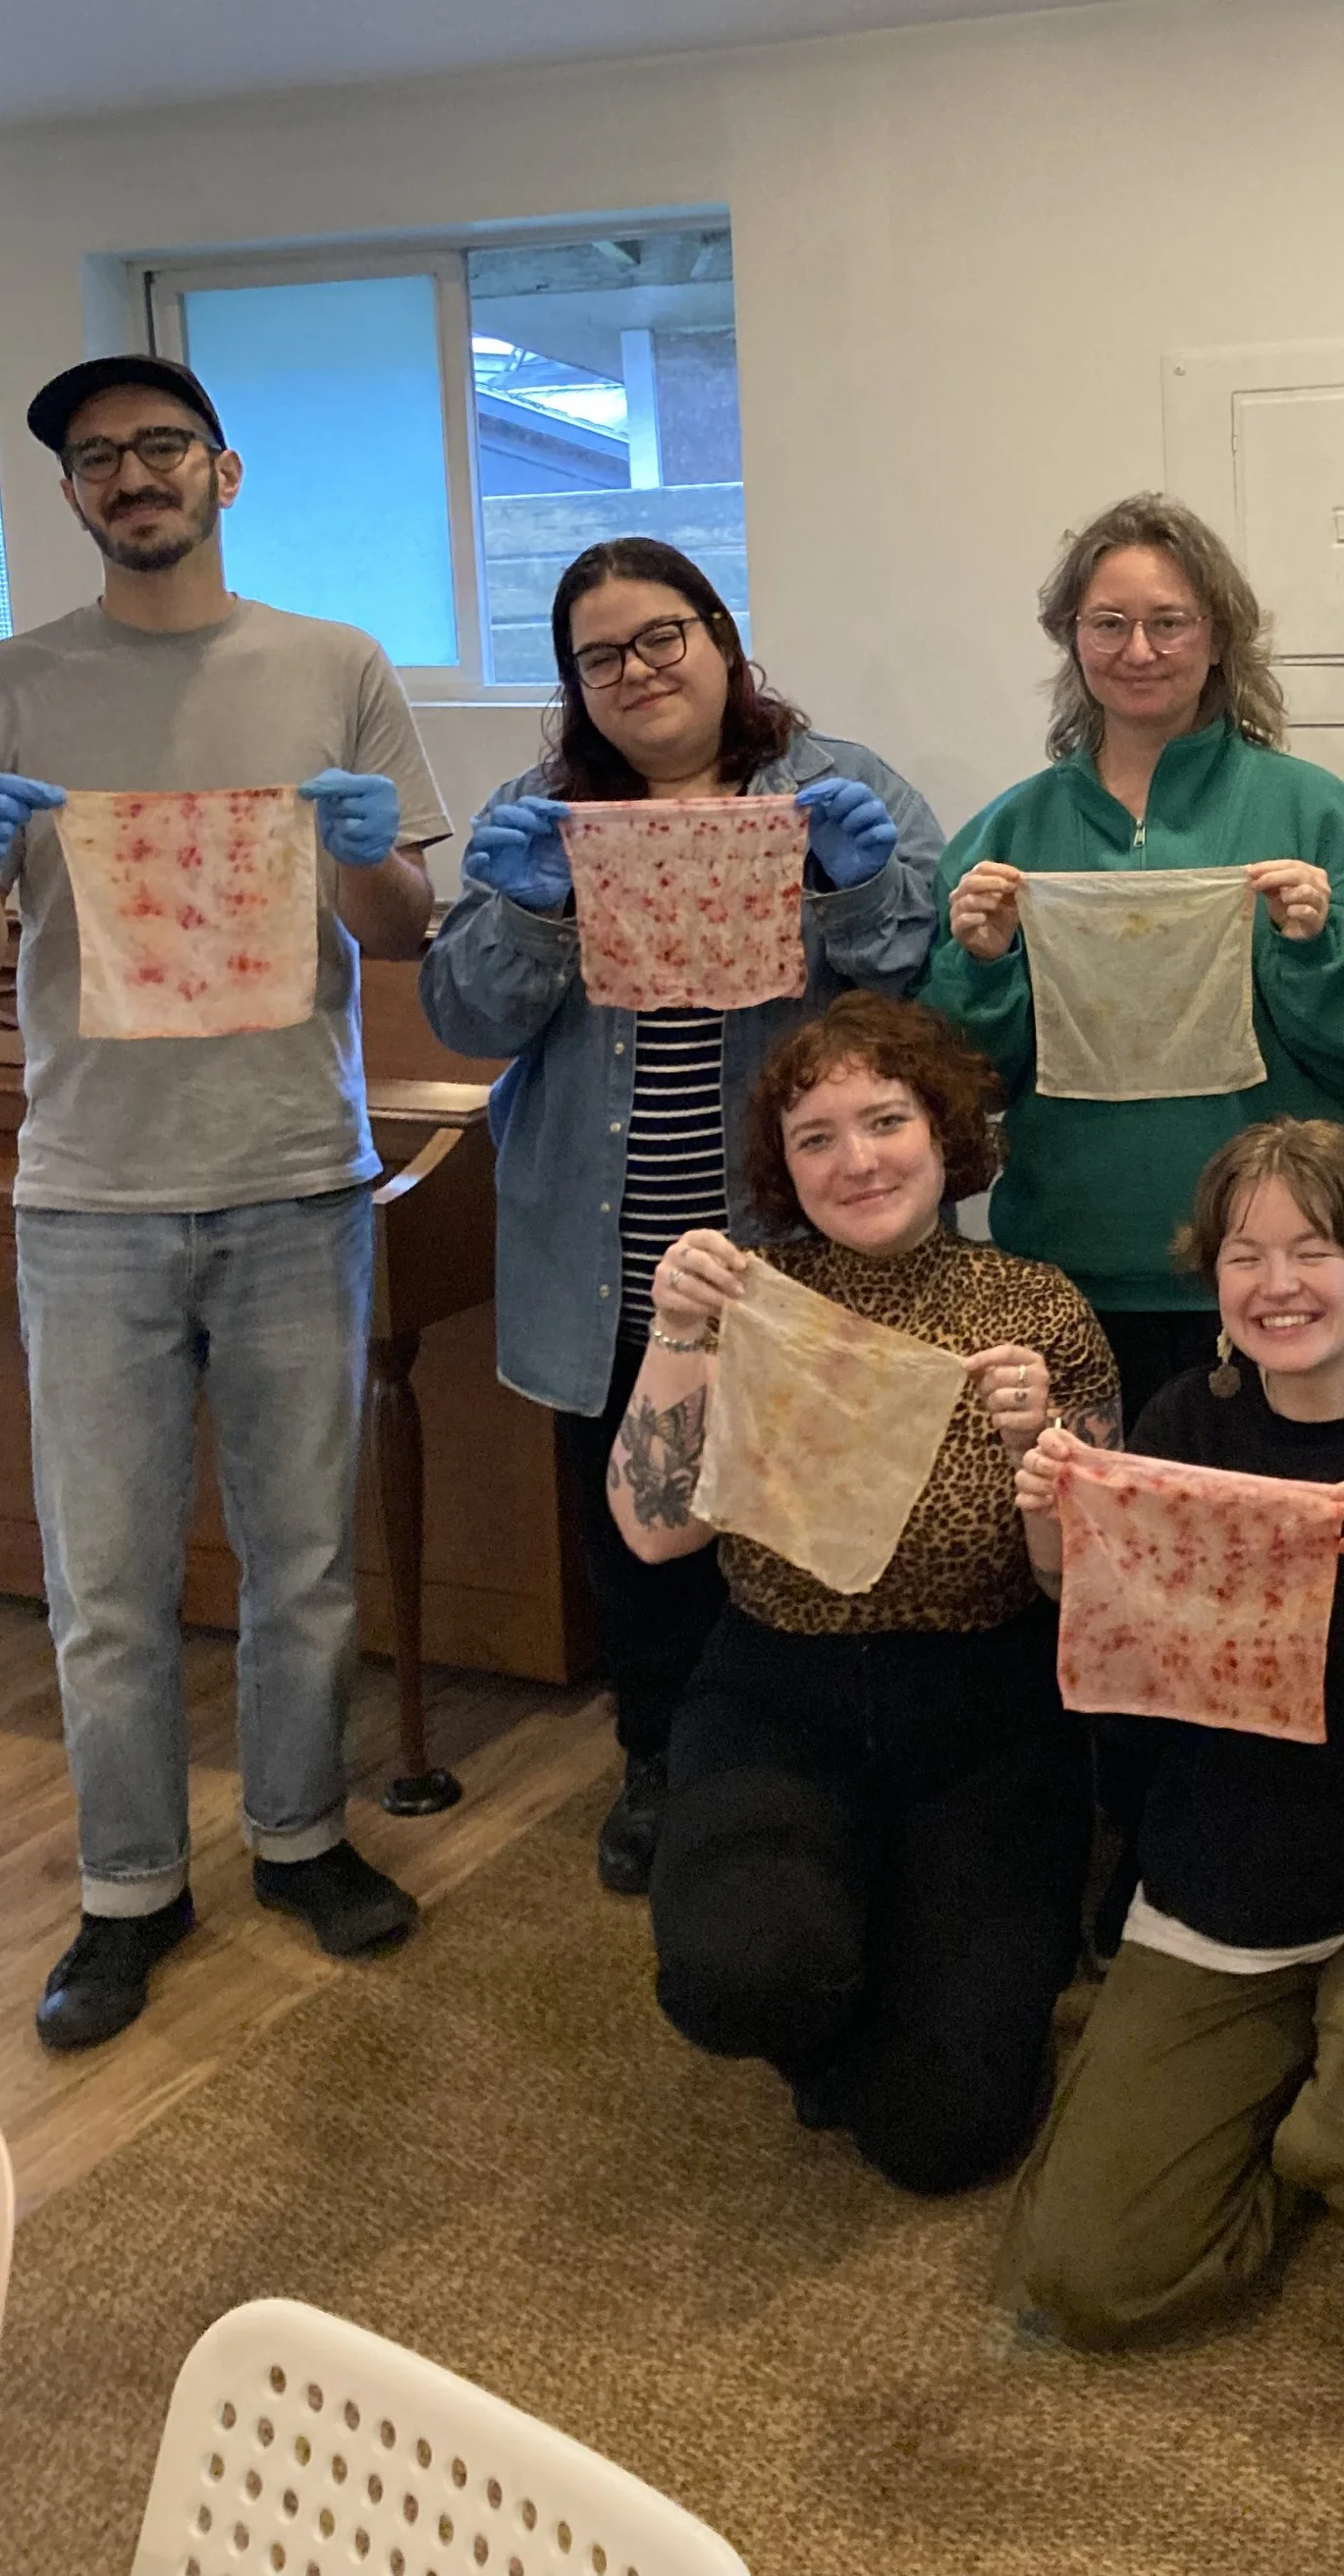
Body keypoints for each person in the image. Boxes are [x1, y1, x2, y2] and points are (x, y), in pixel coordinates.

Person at [0, 351, 449, 2048]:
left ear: (225, 471)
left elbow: (399, 930)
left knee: (303, 1552)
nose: (131, 475)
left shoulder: (335, 665)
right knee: (104, 1577)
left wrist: (373, 845)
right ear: (76, 494)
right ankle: (125, 1887)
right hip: (88, 1190)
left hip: (293, 1182)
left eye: (160, 445)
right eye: (97, 458)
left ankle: (305, 1836)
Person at [420, 538, 942, 1896]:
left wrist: (851, 885)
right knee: (639, 1528)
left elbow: (921, 994)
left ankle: (808, 1773)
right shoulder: (541, 809)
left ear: (721, 639)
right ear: (574, 685)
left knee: (806, 1520)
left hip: (795, 1242)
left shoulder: (840, 788)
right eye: (600, 657)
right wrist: (527, 909)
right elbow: (468, 1015)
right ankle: (659, 1759)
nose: (637, 672)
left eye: (662, 637)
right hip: (604, 1251)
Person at [996, 1118, 1344, 2342]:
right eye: (1242, 1256)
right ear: (1211, 1280)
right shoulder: (1181, 1424)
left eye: (1309, 1249)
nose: (1276, 1285)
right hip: (1225, 1883)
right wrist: (1055, 1510)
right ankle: (1301, 2131)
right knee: (1088, 2273)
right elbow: (1100, 1619)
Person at [602, 992, 1115, 2191]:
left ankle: (902, 1922)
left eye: (884, 1120)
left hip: (985, 1706)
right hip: (778, 1688)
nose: (856, 1159)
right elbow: (656, 1534)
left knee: (944, 2135)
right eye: (814, 1136)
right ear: (781, 1167)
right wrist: (677, 1333)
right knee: (742, 1977)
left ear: (944, 1135)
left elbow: (1080, 1585)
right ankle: (843, 1930)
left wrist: (1037, 1454)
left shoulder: (1037, 1310)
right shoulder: (745, 1301)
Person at [924, 493, 1344, 1432]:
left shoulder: (1318, 820)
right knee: (1080, 1558)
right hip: (1063, 1282)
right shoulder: (1008, 835)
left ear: (1219, 635)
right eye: (1108, 623)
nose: (1138, 650)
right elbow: (961, 1086)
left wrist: (1318, 946)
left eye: (1168, 622)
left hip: (1275, 1283)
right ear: (1071, 638)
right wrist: (982, 964)